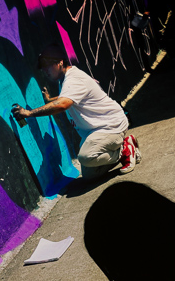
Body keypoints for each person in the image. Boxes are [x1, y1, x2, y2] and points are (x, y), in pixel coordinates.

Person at [11, 44, 141, 179]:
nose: (44, 70)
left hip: (110, 126)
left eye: (47, 65)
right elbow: (68, 97)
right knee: (90, 174)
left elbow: (63, 104)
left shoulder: (73, 79)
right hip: (97, 130)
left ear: (60, 62)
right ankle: (119, 151)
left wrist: (29, 113)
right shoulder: (66, 79)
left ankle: (125, 149)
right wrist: (50, 99)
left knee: (86, 157)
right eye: (43, 67)